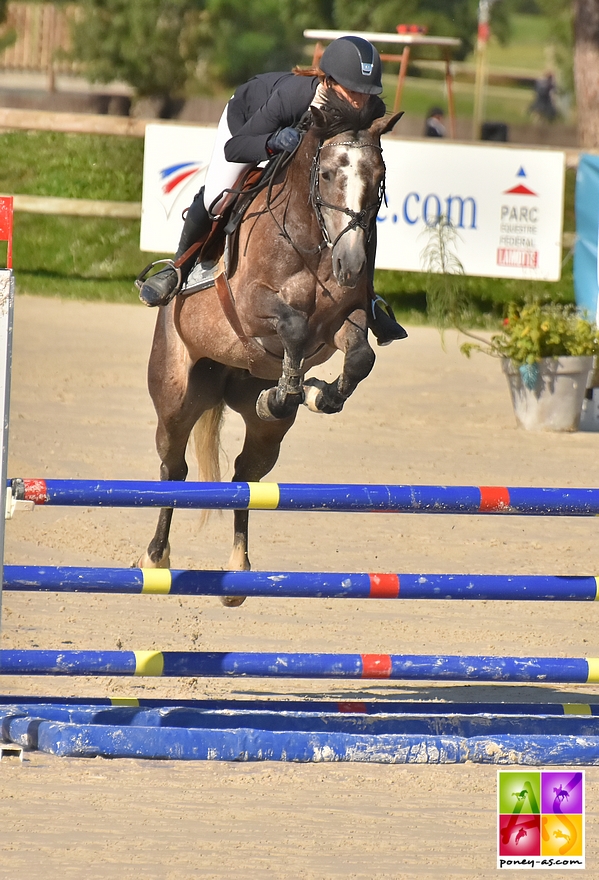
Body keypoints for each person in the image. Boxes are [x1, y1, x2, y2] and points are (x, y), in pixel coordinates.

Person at [138, 35, 407, 345]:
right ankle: (179, 268)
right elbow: (234, 147)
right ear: (330, 82)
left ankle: (369, 300)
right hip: (250, 124)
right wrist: (272, 142)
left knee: (358, 214)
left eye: (366, 92)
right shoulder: (292, 97)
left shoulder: (371, 108)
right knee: (218, 196)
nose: (360, 100)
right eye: (353, 90)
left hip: (311, 157)